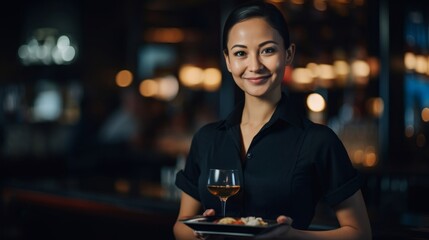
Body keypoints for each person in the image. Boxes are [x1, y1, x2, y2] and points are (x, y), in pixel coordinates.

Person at [173, 1, 372, 239]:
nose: (254, 65)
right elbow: (181, 225)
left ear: (288, 54)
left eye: (267, 50)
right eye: (240, 53)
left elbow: (360, 233)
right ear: (227, 60)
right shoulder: (206, 139)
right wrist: (202, 234)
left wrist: (293, 237)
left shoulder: (319, 141)